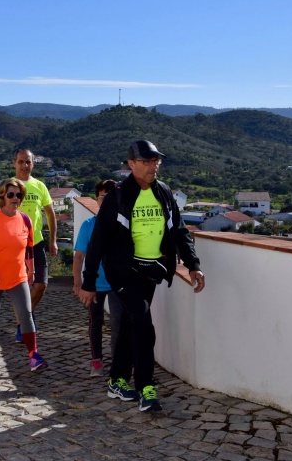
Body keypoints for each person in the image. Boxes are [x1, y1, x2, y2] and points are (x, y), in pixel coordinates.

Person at [79, 140, 205, 412]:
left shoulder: (163, 192)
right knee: (144, 322)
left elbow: (179, 231)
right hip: (123, 272)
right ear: (131, 165)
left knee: (129, 324)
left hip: (151, 271)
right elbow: (98, 242)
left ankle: (116, 380)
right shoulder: (118, 196)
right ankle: (146, 386)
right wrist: (88, 282)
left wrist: (193, 264)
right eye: (147, 161)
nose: (153, 165)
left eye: (156, 160)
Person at [0, 178, 47, 372]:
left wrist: (31, 269)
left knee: (26, 314)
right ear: (2, 196)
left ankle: (33, 355)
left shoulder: (25, 220)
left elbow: (28, 248)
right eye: (11, 194)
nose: (15, 198)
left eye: (19, 195)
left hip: (17, 276)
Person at [0, 149, 57, 342]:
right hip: (15, 245)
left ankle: (25, 318)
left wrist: (53, 240)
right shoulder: (8, 186)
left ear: (33, 164)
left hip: (36, 243)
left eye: (28, 162)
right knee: (18, 287)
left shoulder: (40, 186)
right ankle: (24, 324)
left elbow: (50, 214)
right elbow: (0, 217)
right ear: (14, 163)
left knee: (41, 285)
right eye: (21, 162)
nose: (25, 165)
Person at [73, 180, 124, 377]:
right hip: (94, 283)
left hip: (117, 283)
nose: (107, 201)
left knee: (118, 323)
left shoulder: (122, 224)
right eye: (103, 197)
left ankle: (117, 363)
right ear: (97, 199)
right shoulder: (89, 225)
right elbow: (79, 256)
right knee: (96, 321)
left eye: (110, 197)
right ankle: (97, 360)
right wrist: (78, 283)